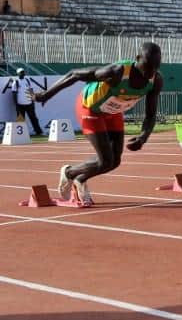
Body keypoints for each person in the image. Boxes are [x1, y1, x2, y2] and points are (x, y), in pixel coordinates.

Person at [29, 43, 163, 206]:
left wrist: (143, 137)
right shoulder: (116, 72)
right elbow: (74, 74)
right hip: (90, 109)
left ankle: (80, 178)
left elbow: (150, 115)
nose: (149, 73)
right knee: (105, 161)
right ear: (137, 59)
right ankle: (69, 172)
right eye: (147, 67)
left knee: (114, 162)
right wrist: (46, 94)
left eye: (154, 68)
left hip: (112, 113)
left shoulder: (155, 80)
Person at [11, 68, 43, 136]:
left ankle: (39, 132)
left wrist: (33, 100)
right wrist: (16, 105)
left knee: (34, 118)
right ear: (18, 73)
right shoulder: (15, 82)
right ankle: (21, 134)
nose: (22, 73)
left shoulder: (27, 80)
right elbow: (14, 94)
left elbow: (31, 91)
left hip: (29, 104)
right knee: (21, 119)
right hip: (20, 105)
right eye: (21, 72)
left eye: (23, 72)